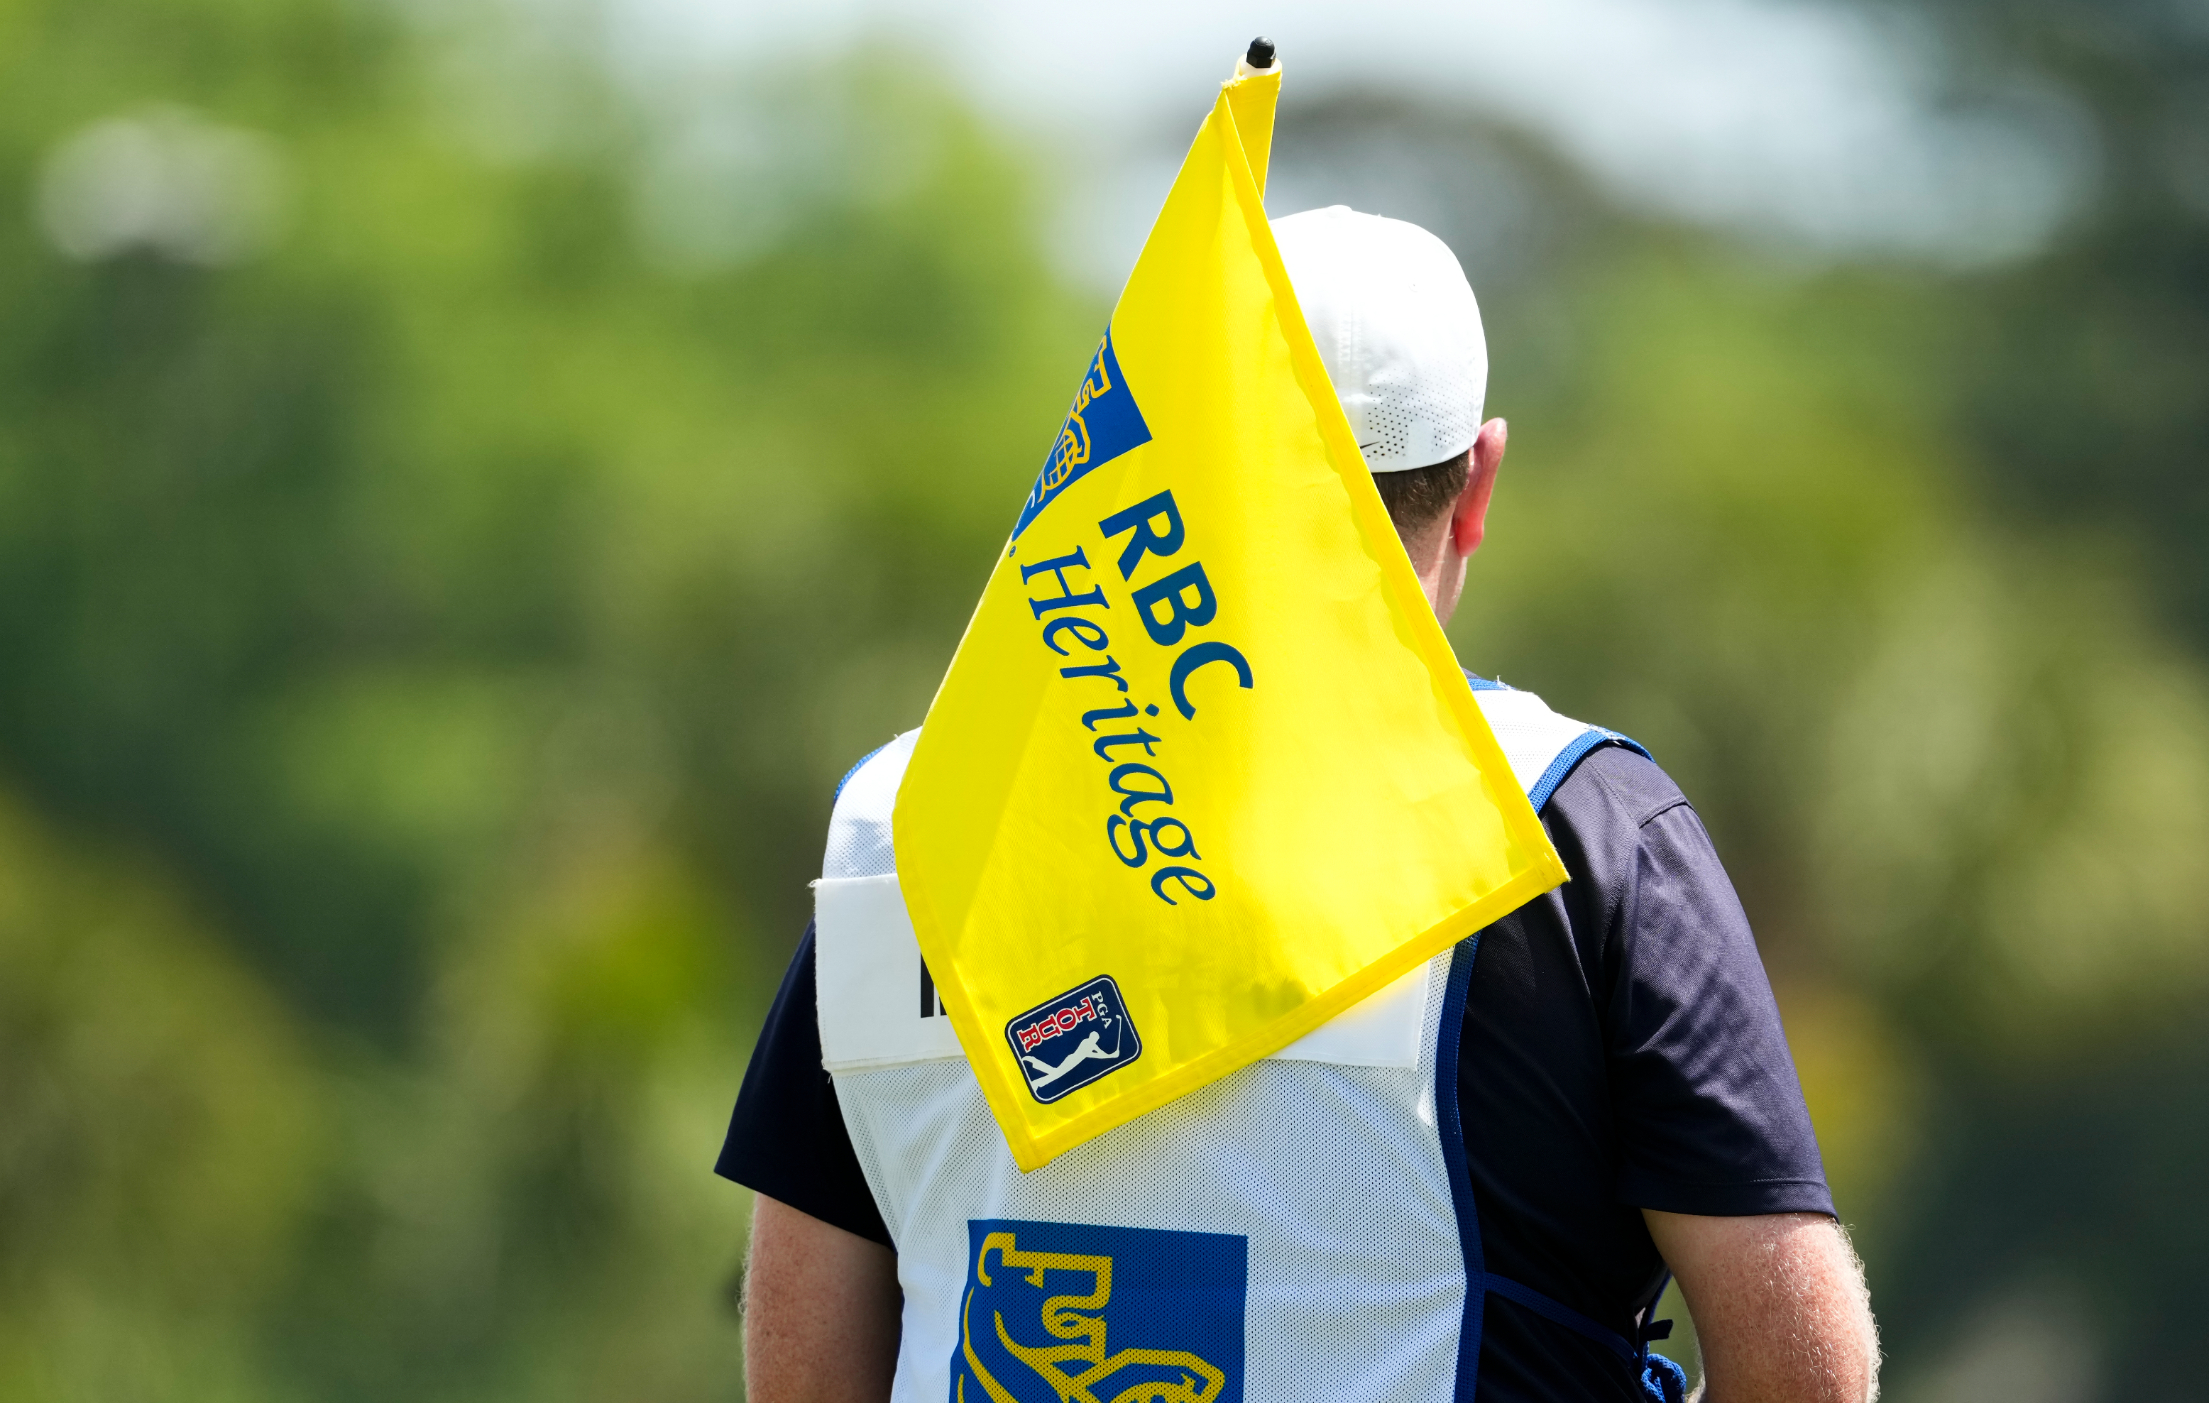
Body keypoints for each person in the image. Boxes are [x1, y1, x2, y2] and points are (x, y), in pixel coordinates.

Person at [718, 205, 1879, 1403]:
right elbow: (1805, 1369)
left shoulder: (909, 813)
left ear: (1178, 450)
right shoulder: (1575, 824)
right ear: (1477, 481)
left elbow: (802, 1366)